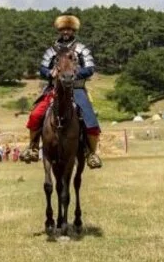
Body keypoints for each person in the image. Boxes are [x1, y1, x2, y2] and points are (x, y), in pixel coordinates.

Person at [20, 14, 102, 169]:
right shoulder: (52, 50)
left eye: (69, 29)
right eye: (63, 29)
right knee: (36, 114)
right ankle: (33, 147)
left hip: (76, 88)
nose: (66, 32)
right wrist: (49, 72)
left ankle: (91, 153)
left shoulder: (81, 49)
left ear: (73, 30)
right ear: (59, 30)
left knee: (90, 120)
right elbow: (42, 68)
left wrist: (73, 74)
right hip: (54, 89)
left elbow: (90, 68)